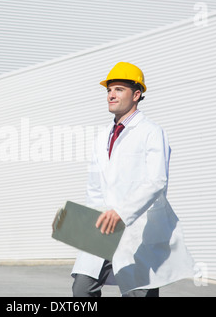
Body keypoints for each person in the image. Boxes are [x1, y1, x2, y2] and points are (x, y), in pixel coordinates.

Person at [71, 62, 195, 297]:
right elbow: (95, 187)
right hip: (104, 227)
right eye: (108, 90)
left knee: (137, 293)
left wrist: (122, 212)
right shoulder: (102, 137)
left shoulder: (151, 132)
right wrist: (88, 223)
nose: (111, 95)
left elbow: (157, 181)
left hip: (137, 228)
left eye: (118, 89)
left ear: (136, 94)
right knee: (82, 289)